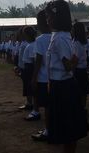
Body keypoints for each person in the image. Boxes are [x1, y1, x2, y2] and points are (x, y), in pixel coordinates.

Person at [44, 0, 87, 153]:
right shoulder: (62, 35)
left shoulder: (60, 38)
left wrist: (75, 60)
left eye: (49, 17)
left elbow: (67, 65)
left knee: (67, 130)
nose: (47, 20)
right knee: (67, 129)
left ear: (57, 17)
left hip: (63, 87)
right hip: (61, 84)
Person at [31, 10, 52, 141]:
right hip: (55, 78)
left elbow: (38, 62)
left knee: (47, 107)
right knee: (53, 106)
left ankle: (48, 131)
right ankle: (54, 129)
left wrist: (33, 78)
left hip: (43, 78)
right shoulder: (55, 36)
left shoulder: (40, 40)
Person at [72, 22, 89, 109]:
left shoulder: (76, 43)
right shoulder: (84, 41)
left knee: (78, 90)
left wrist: (71, 70)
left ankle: (80, 107)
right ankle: (83, 106)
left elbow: (75, 59)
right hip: (82, 68)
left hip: (78, 69)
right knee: (83, 90)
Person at [21, 26, 38, 121]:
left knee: (30, 87)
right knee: (27, 86)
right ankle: (29, 103)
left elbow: (33, 60)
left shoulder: (32, 45)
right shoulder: (30, 44)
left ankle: (31, 104)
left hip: (30, 68)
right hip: (27, 67)